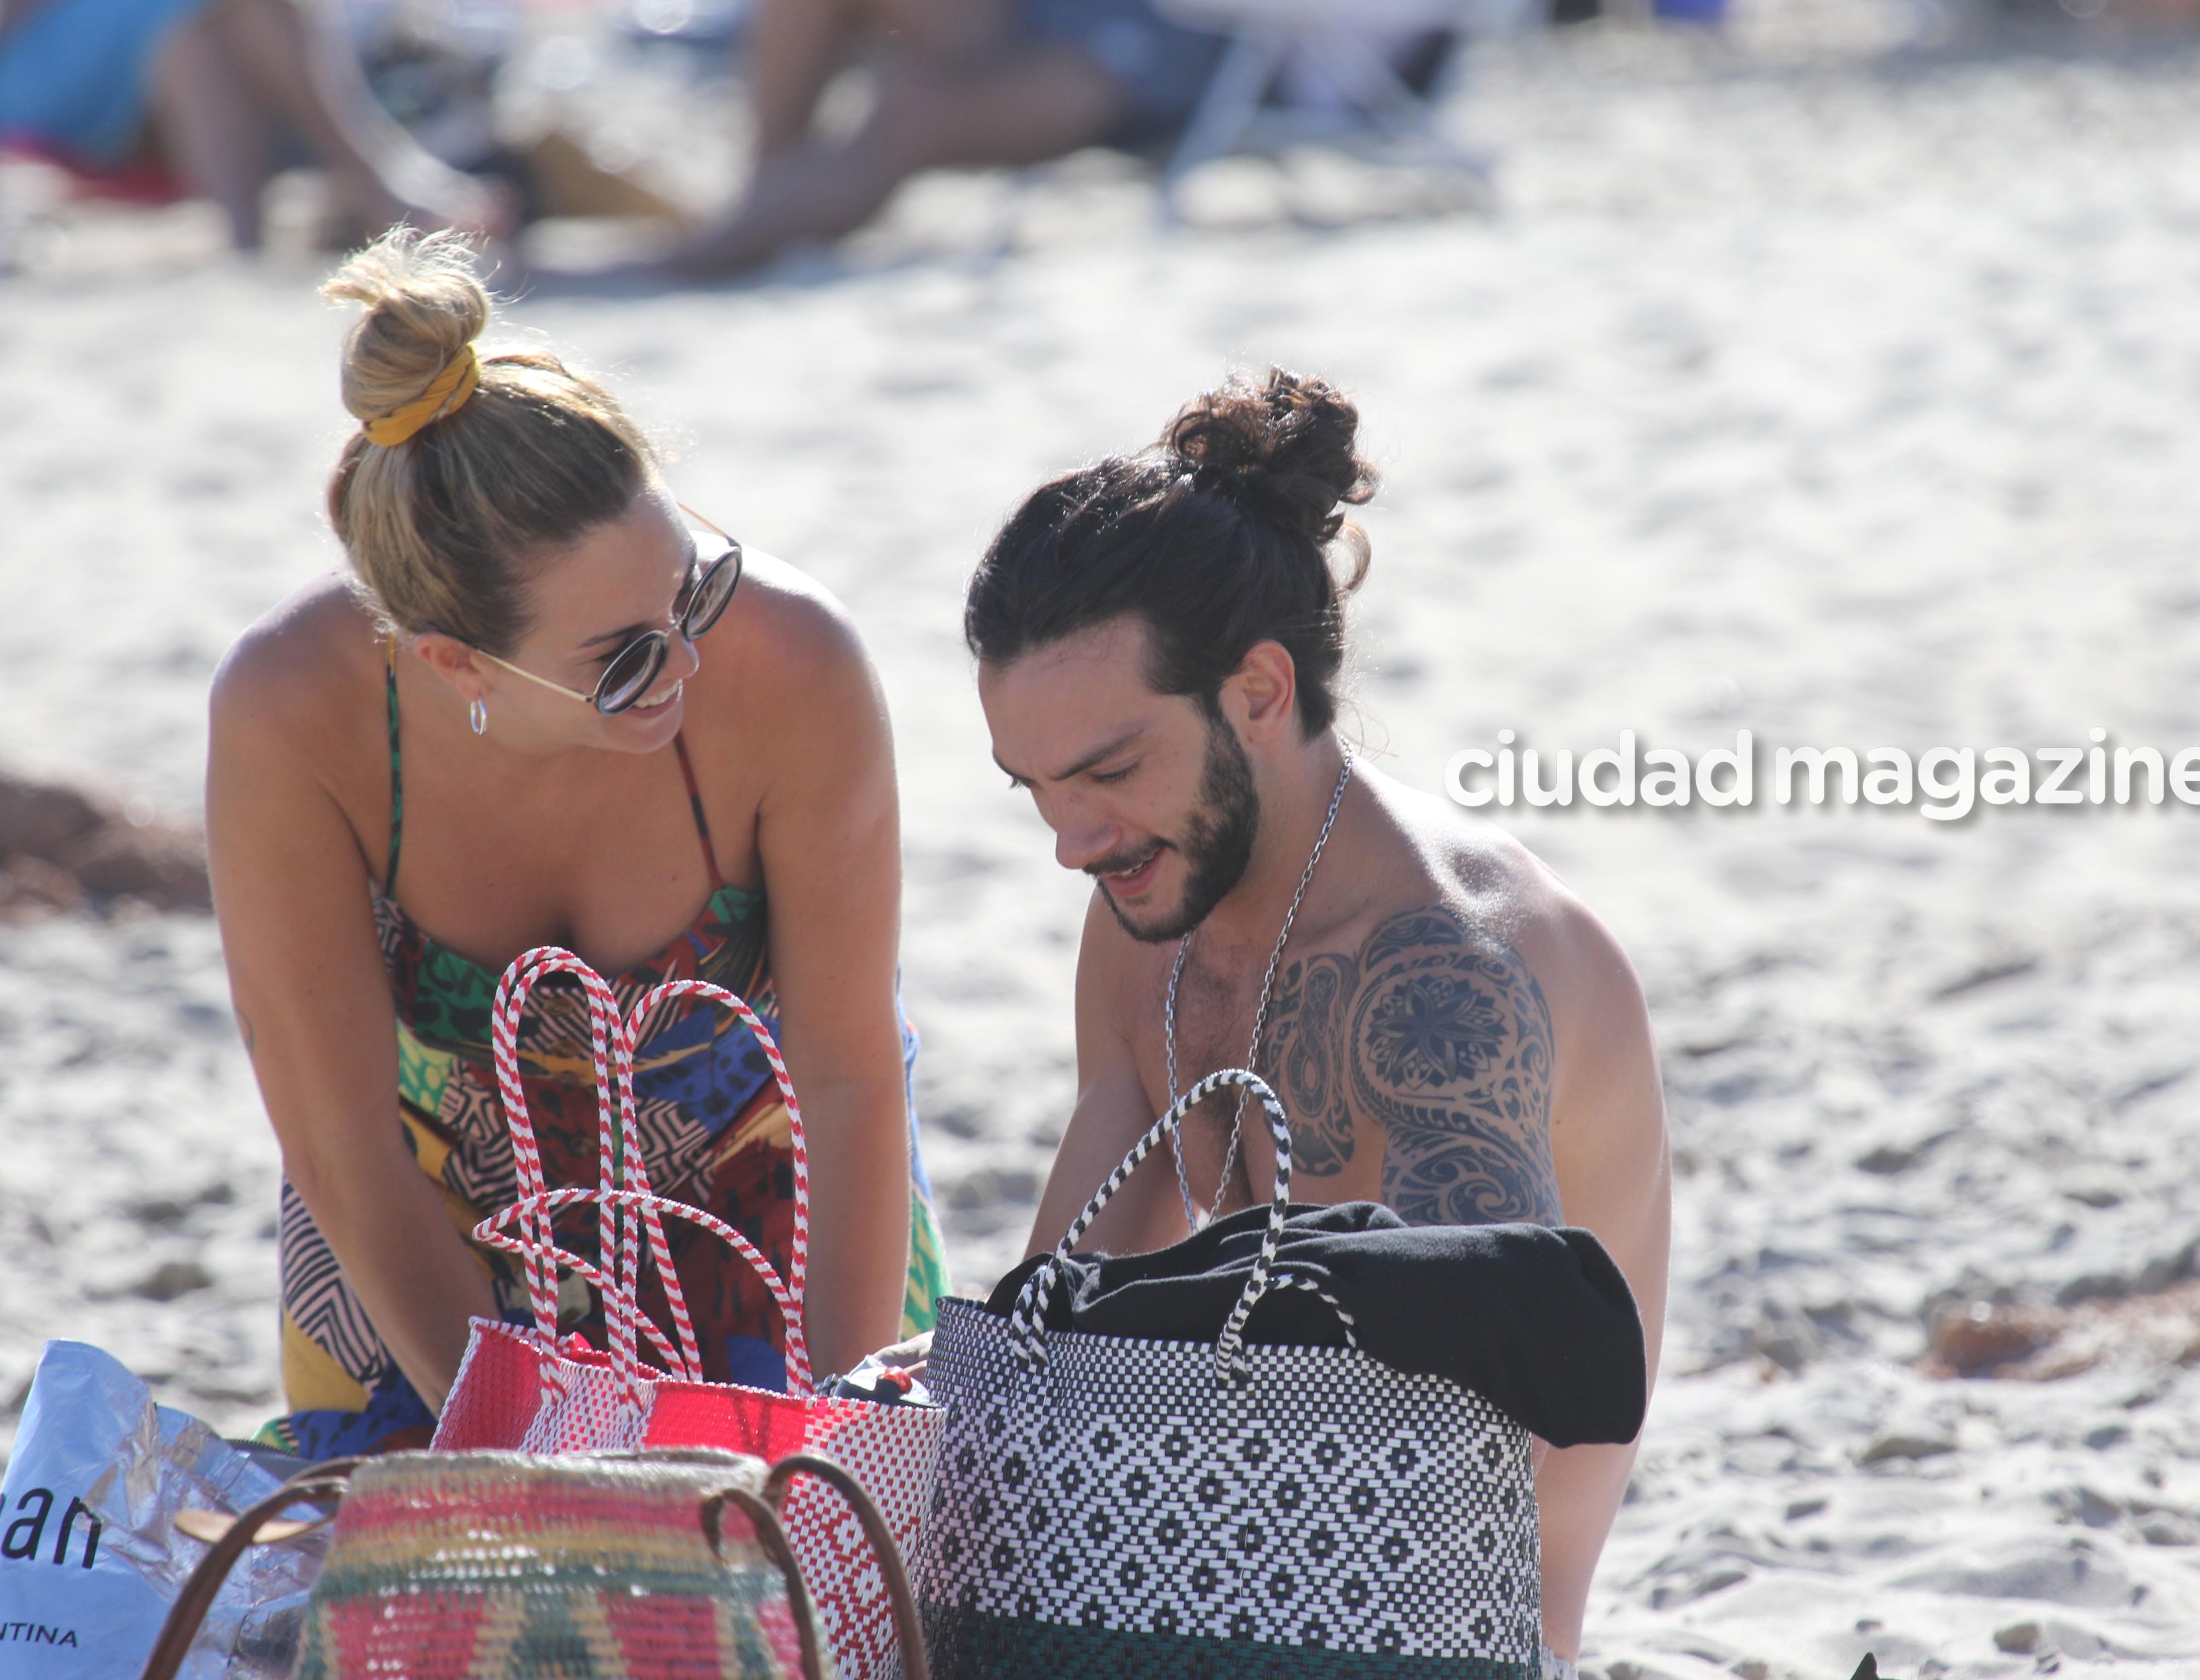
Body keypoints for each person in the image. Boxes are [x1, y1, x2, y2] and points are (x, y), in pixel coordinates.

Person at [962, 367, 1672, 1671]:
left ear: (1259, 690)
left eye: (1110, 771)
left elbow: (1459, 1482)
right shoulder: (1151, 905)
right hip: (1252, 1573)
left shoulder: (1450, 976)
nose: (1071, 842)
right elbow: (1047, 1346)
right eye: (1037, 789)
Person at [205, 229, 946, 1457]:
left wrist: (828, 1447)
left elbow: (852, 1081)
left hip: (784, 1217)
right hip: (432, 1247)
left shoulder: (794, 660)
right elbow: (345, 1152)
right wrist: (534, 1458)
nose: (688, 664)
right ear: (453, 663)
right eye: (625, 657)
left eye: (692, 590)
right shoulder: (294, 713)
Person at [658, 0, 1227, 278]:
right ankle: (760, 204)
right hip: (1051, 19)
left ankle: (710, 252)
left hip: (1153, 49)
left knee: (909, 111)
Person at [0, 0, 501, 252]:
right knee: (188, 21)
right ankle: (376, 182)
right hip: (23, 67)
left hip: (101, 39)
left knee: (189, 48)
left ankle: (245, 245)